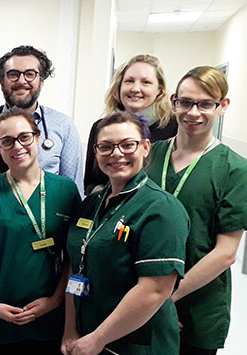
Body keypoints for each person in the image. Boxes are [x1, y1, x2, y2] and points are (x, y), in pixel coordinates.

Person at [62, 111, 189, 355]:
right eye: (106, 147)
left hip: (135, 343)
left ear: (145, 147)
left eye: (127, 144)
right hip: (86, 336)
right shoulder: (92, 203)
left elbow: (155, 289)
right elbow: (74, 266)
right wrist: (70, 330)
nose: (116, 154)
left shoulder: (161, 209)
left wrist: (97, 339)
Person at [145, 66, 247, 355]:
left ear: (222, 106)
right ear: (175, 101)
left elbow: (226, 253)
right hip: (140, 294)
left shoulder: (235, 169)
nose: (193, 112)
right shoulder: (150, 154)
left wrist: (164, 298)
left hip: (196, 305)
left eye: (206, 104)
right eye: (187, 102)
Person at [0, 108, 80, 354]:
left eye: (24, 137)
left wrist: (55, 300)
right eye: (6, 141)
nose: (17, 146)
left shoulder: (66, 190)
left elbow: (73, 257)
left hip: (47, 314)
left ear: (37, 137)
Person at [0, 45, 83, 194]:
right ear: (1, 80)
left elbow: (73, 191)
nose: (21, 81)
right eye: (13, 74)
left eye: (30, 74)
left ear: (41, 81)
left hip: (47, 215)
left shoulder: (63, 126)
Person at [84, 54, 176, 194]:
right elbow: (91, 182)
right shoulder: (101, 128)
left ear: (160, 90)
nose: (135, 88)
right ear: (119, 86)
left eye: (146, 82)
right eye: (129, 81)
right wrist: (106, 195)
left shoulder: (173, 127)